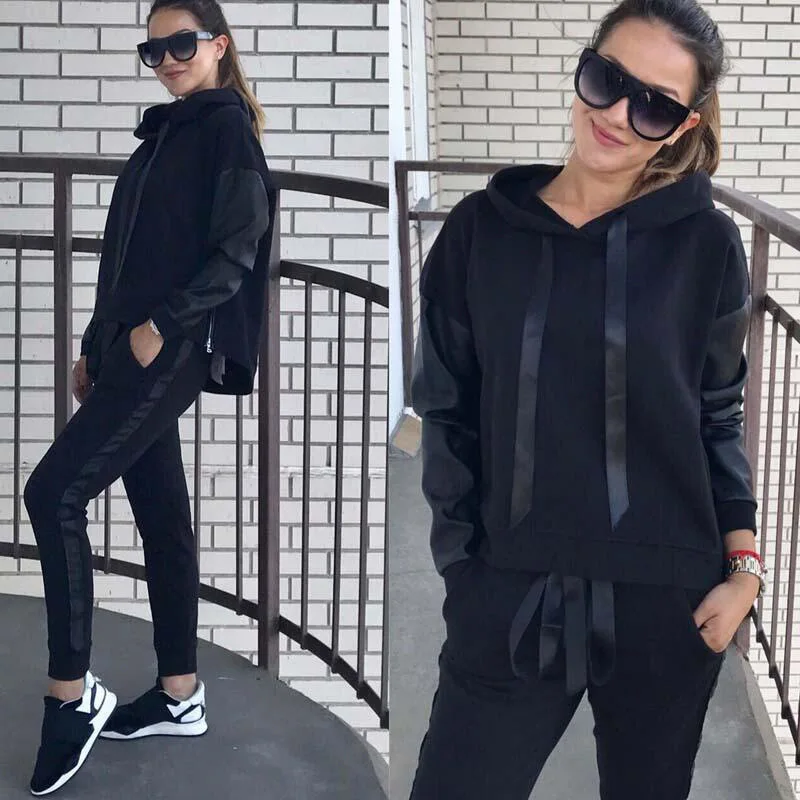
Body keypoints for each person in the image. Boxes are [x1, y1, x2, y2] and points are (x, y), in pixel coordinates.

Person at [409, 0, 766, 798]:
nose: (617, 114)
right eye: (607, 79)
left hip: (668, 603)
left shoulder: (707, 245)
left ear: (681, 126)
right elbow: (447, 410)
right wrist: (464, 570)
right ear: (583, 69)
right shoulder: (479, 231)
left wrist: (743, 568)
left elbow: (717, 413)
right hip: (510, 588)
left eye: (654, 106)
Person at [23, 0, 275, 794]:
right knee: (163, 517)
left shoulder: (225, 131)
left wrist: (161, 326)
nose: (167, 59)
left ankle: (71, 695)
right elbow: (125, 258)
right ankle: (179, 694)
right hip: (129, 347)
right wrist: (96, 344)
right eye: (153, 49)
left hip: (172, 347)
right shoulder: (165, 135)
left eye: (181, 44)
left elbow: (239, 247)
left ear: (218, 45)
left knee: (52, 493)